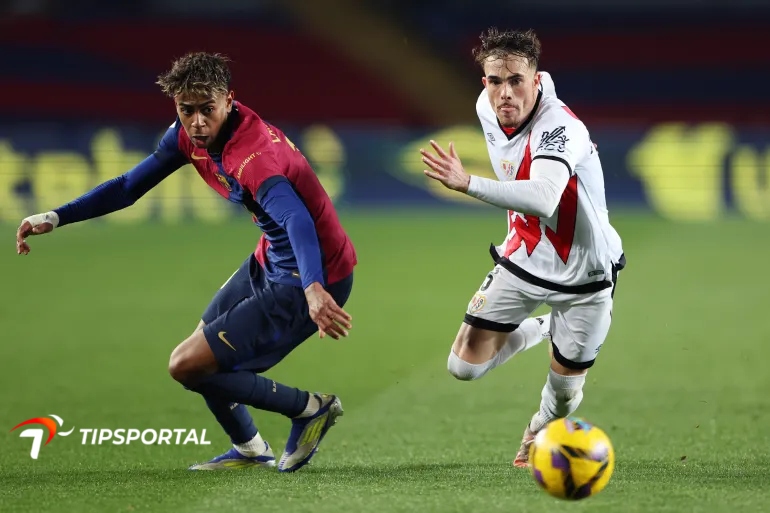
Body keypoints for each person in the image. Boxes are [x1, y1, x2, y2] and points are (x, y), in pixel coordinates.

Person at [15, 52, 357, 473]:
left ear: (229, 101)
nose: (196, 122)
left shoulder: (252, 156)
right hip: (270, 256)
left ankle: (310, 409)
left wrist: (312, 288)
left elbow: (295, 218)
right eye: (186, 110)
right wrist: (56, 216)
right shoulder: (184, 135)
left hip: (313, 273)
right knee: (202, 351)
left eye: (206, 110)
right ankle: (251, 448)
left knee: (187, 364)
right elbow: (127, 187)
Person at [420, 28, 625, 468]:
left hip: (586, 272)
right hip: (526, 256)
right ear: (484, 83)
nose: (505, 93)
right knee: (463, 367)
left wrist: (467, 182)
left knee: (565, 397)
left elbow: (546, 197)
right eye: (495, 81)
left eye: (516, 80)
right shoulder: (487, 108)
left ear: (537, 80)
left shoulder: (561, 127)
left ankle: (537, 426)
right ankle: (546, 328)